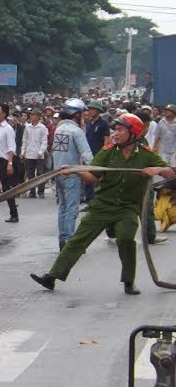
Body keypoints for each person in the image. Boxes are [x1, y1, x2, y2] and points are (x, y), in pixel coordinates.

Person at [31, 113, 175, 295]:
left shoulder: (146, 154)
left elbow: (171, 174)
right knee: (78, 240)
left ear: (133, 134)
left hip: (127, 208)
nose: (115, 133)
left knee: (126, 238)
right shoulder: (107, 151)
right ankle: (51, 277)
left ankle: (129, 281)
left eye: (120, 129)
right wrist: (74, 170)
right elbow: (92, 177)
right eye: (115, 129)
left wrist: (159, 169)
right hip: (102, 206)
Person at [51, 98, 94, 250]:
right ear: (76, 114)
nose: (83, 116)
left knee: (62, 208)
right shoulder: (76, 131)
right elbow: (87, 156)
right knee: (71, 209)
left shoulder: (59, 129)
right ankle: (69, 243)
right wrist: (98, 171)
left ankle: (63, 240)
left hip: (58, 172)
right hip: (72, 174)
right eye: (82, 113)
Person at [135, 109, 168, 244]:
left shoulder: (142, 140)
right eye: (144, 126)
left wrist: (163, 168)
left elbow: (152, 158)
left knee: (147, 209)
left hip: (143, 179)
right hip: (133, 181)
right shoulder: (131, 140)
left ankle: (150, 236)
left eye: (148, 126)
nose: (146, 129)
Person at [84, 100, 111, 205]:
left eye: (92, 109)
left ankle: (97, 202)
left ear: (98, 111)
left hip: (98, 154)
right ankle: (89, 202)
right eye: (89, 109)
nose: (90, 111)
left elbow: (107, 140)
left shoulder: (103, 123)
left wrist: (104, 155)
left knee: (97, 180)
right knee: (88, 179)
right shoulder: (89, 123)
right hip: (88, 154)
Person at [20, 108, 48, 198]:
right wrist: (22, 152)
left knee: (40, 174)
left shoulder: (42, 127)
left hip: (39, 155)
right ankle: (32, 192)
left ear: (39, 117)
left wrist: (41, 152)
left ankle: (41, 191)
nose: (31, 116)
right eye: (31, 115)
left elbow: (44, 141)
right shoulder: (27, 127)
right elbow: (24, 140)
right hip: (29, 154)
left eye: (34, 115)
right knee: (30, 174)